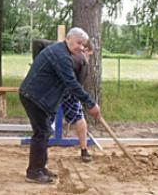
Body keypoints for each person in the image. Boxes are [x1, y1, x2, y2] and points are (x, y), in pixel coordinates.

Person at [19, 27, 101, 184]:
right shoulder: (61, 56)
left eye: (83, 44)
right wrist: (91, 104)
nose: (81, 47)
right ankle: (34, 172)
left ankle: (40, 168)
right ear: (69, 39)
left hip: (39, 96)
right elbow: (71, 83)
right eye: (79, 43)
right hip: (33, 96)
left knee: (44, 132)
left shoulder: (64, 52)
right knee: (42, 132)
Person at [60, 41, 94, 163]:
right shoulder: (82, 61)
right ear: (84, 50)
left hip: (57, 89)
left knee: (46, 120)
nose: (88, 58)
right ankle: (84, 150)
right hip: (68, 92)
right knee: (79, 118)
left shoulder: (65, 55)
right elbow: (77, 84)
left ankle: (40, 152)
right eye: (89, 55)